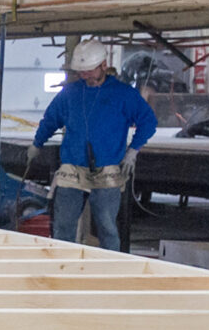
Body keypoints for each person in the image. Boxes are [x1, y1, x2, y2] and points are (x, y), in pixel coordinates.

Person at [32, 37, 159, 252]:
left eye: (90, 70)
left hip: (107, 168)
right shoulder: (70, 94)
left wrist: (133, 151)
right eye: (82, 72)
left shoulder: (123, 94)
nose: (85, 76)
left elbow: (148, 122)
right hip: (72, 167)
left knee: (107, 227)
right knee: (63, 226)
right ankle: (64, 265)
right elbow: (50, 120)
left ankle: (110, 267)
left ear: (103, 65)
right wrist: (37, 143)